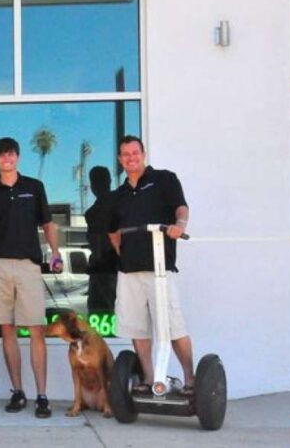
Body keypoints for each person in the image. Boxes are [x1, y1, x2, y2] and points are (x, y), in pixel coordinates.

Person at [0, 137, 61, 418]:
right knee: (7, 330)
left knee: (36, 329)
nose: (6, 159)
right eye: (1, 155)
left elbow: (48, 223)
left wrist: (55, 252)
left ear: (18, 157)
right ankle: (18, 392)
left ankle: (42, 396)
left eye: (10, 154)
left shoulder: (34, 187)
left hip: (28, 266)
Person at [108, 135, 194, 395]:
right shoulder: (119, 195)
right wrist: (123, 253)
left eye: (135, 153)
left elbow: (181, 208)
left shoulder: (164, 179)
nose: (131, 158)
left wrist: (179, 226)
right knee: (137, 329)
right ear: (120, 159)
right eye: (125, 154)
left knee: (173, 327)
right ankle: (148, 378)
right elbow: (113, 231)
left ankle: (190, 380)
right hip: (129, 272)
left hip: (160, 269)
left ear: (143, 154)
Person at [85, 166, 118, 314]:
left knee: (107, 309)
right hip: (102, 269)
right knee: (99, 310)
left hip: (112, 268)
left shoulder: (121, 203)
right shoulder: (92, 213)